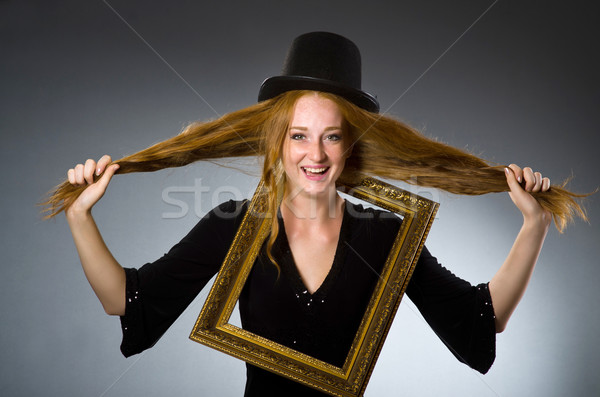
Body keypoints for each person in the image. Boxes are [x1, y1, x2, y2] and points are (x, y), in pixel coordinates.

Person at [45, 32, 586, 396]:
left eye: (332, 137)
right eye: (299, 136)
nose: (316, 154)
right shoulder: (235, 226)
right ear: (278, 142)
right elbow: (129, 300)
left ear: (351, 146)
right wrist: (80, 218)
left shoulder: (387, 237)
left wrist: (533, 226)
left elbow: (478, 321)